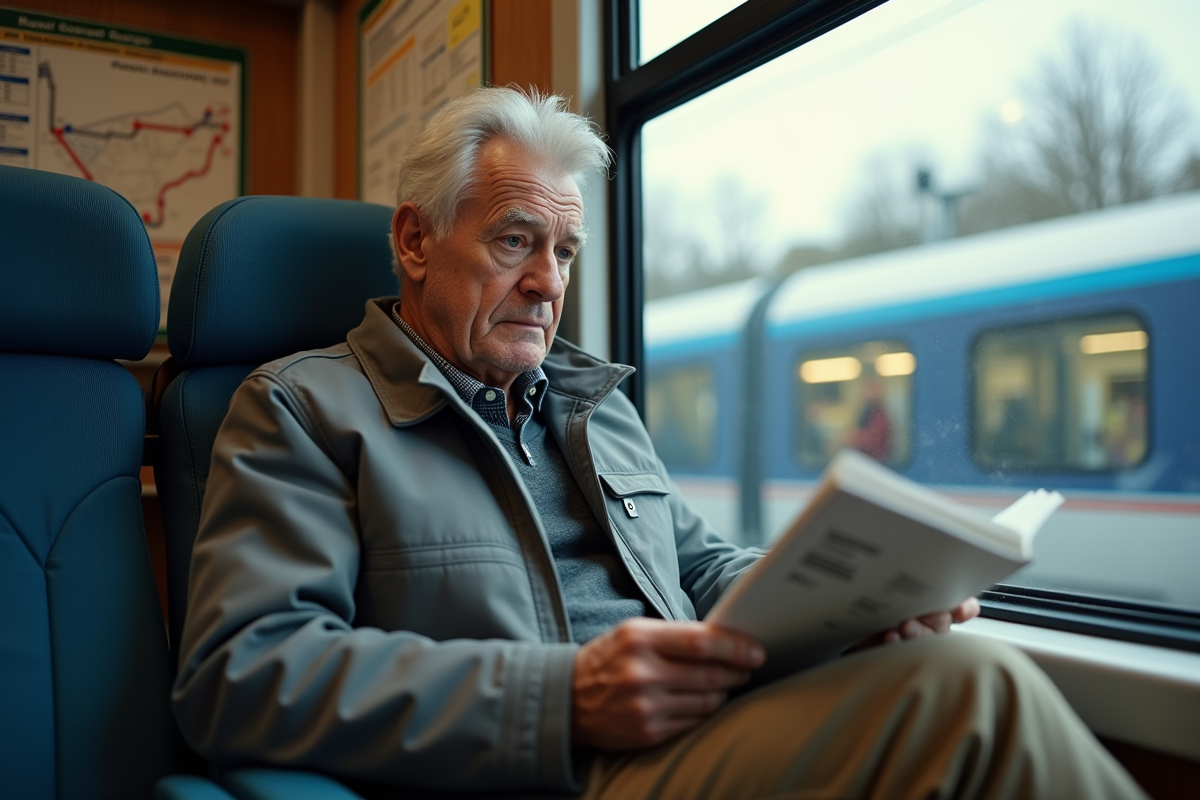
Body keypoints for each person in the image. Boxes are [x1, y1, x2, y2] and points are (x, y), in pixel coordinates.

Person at [172, 87, 1146, 800]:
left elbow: (701, 569)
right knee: (970, 692)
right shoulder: (302, 409)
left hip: (687, 736)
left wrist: (857, 604)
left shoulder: (592, 406)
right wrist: (559, 699)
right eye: (516, 239)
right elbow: (242, 673)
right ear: (417, 243)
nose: (549, 282)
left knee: (944, 669)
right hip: (553, 769)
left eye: (565, 250)